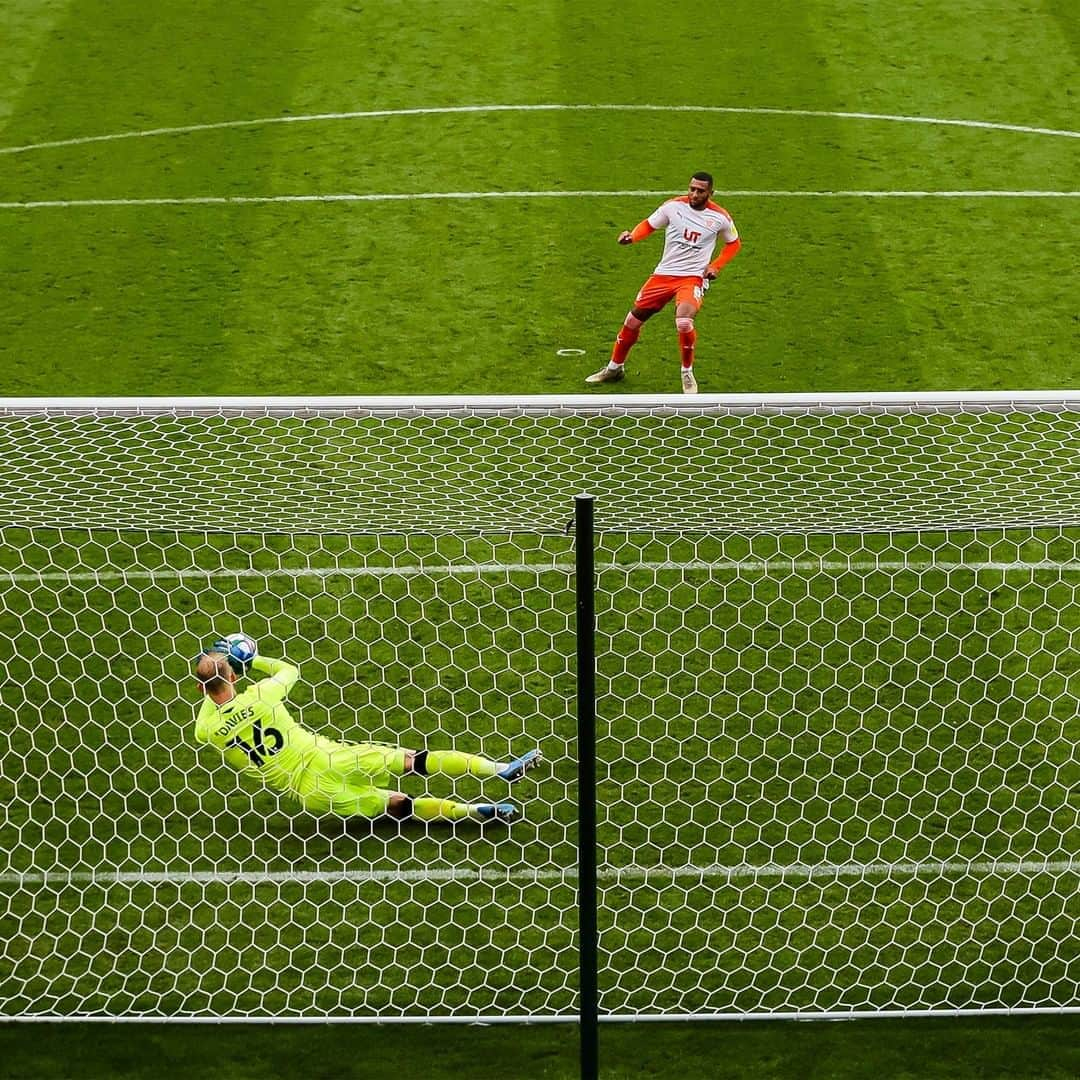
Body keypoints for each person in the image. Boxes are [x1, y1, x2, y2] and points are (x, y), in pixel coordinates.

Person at [193, 636, 542, 824]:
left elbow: (211, 706)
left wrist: (212, 680)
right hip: (328, 758)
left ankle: (474, 812)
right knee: (412, 761)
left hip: (310, 792)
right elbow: (289, 669)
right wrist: (249, 660)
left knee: (397, 804)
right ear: (236, 676)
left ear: (201, 689)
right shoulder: (262, 694)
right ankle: (500, 769)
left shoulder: (208, 728)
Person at [587, 172, 741, 394]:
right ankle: (614, 368)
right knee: (632, 321)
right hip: (663, 275)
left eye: (700, 191)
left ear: (710, 193)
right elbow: (649, 225)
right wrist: (631, 237)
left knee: (684, 322)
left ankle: (686, 372)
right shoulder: (672, 207)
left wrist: (715, 266)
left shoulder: (720, 218)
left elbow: (733, 244)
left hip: (692, 278)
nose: (694, 194)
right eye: (692, 189)